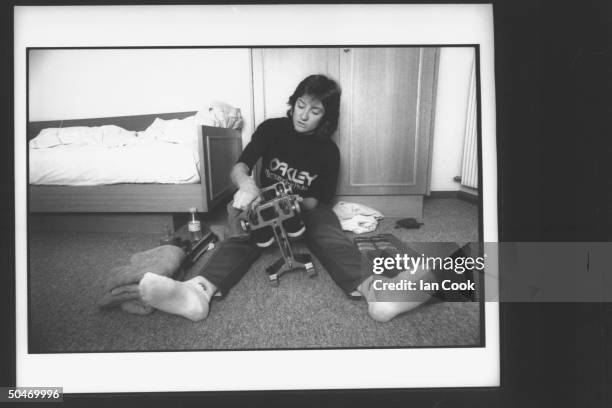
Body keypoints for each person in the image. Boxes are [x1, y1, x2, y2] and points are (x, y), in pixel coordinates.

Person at [138, 75, 434, 322]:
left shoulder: (328, 152)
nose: (303, 116)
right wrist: (248, 186)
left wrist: (290, 204)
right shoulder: (272, 128)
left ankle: (378, 293)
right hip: (262, 205)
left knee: (330, 235)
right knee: (240, 237)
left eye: (314, 111)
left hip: (303, 209)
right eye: (300, 106)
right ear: (294, 103)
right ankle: (198, 292)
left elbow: (317, 201)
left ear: (326, 117)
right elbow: (241, 165)